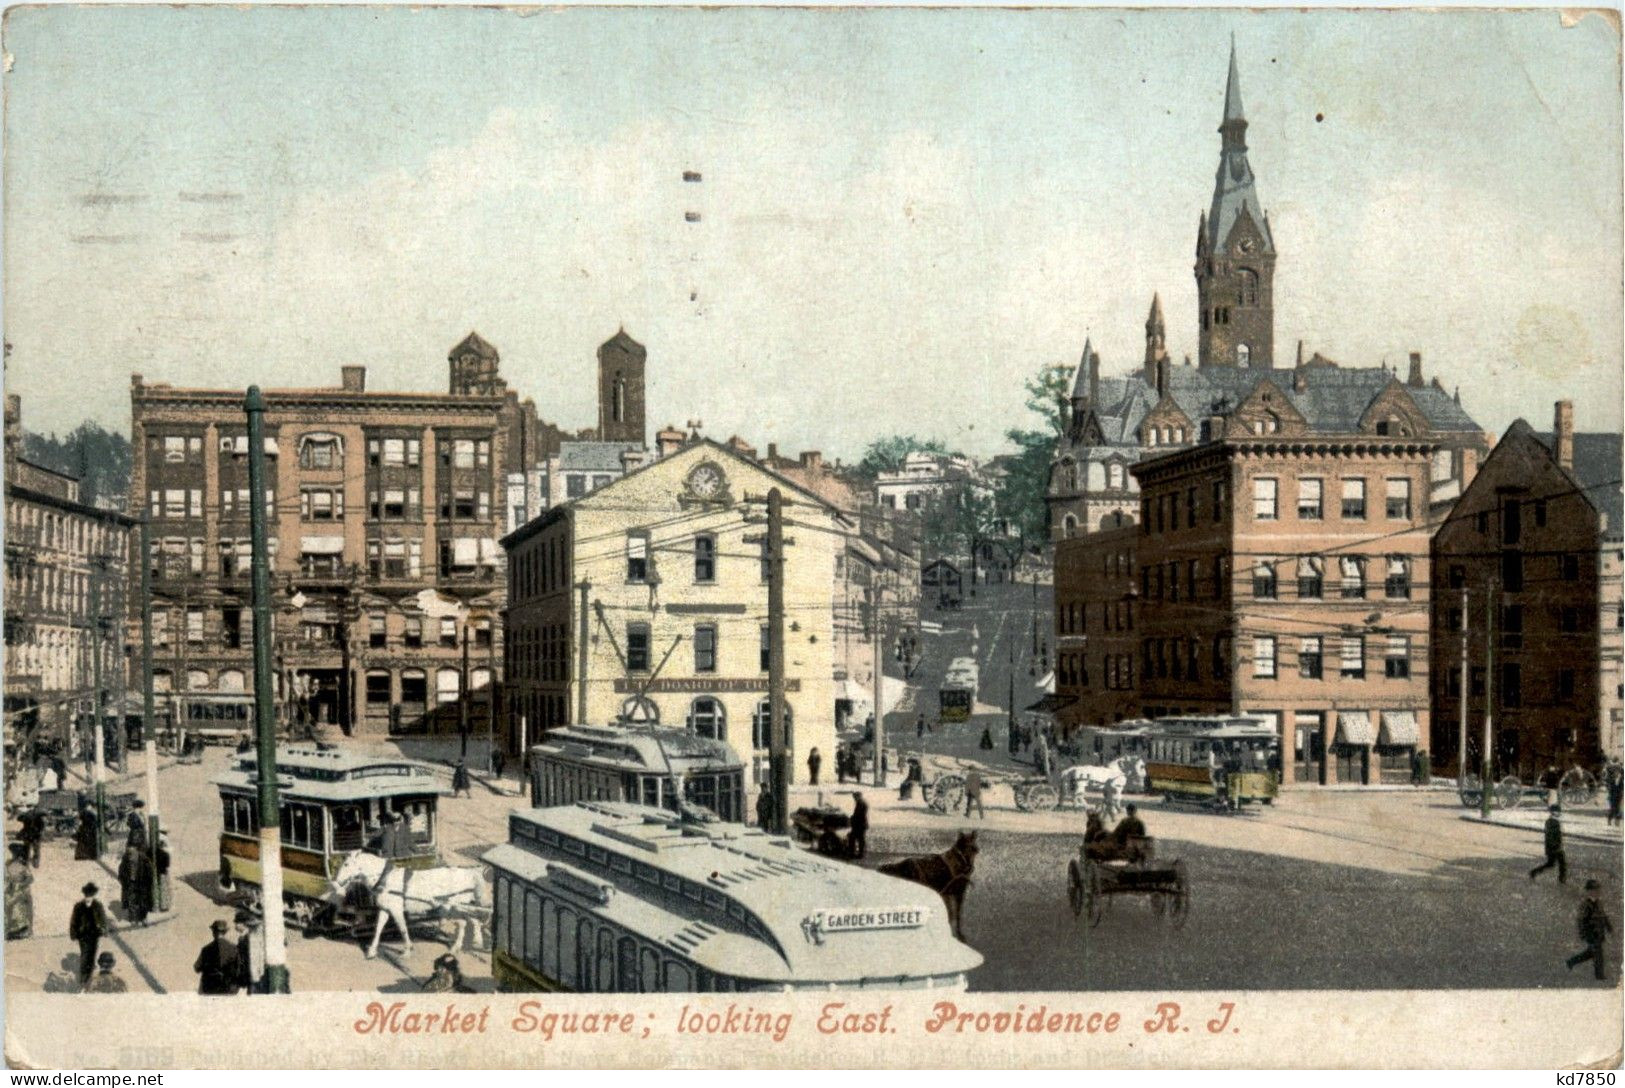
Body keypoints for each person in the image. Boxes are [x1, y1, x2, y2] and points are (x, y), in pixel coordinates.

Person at [1567, 879, 1614, 981]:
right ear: (1589, 891)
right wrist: (1585, 934)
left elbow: (1603, 916)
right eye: (1595, 890)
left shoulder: (1599, 903)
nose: (1597, 892)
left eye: (1598, 890)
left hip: (1599, 934)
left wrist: (1608, 926)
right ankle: (1599, 977)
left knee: (1590, 953)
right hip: (1591, 935)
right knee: (1598, 956)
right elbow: (1581, 921)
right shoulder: (1586, 905)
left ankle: (1571, 961)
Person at [69, 883, 109, 986]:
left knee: (91, 955)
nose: (88, 897)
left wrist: (104, 929)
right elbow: (74, 920)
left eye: (90, 895)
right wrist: (73, 933)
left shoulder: (97, 906)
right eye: (86, 895)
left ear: (93, 895)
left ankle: (88, 976)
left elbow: (102, 918)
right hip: (83, 934)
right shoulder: (78, 906)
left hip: (94, 934)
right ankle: (84, 977)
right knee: (85, 954)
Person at [194, 919, 242, 995]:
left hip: (210, 989)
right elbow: (238, 970)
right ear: (225, 932)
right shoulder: (234, 948)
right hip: (228, 989)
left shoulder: (206, 949)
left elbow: (197, 968)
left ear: (213, 932)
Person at [117, 844, 153, 926]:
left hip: (142, 882)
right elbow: (121, 870)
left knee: (143, 900)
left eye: (132, 850)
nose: (130, 852)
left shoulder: (144, 859)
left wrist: (148, 882)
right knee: (131, 900)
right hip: (130, 882)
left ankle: (143, 917)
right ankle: (133, 918)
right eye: (128, 850)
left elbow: (149, 871)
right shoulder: (126, 858)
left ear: (136, 850)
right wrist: (123, 880)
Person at [1530, 806, 1568, 883]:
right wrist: (1560, 846)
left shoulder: (1548, 821)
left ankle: (1534, 872)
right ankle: (1562, 879)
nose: (1560, 813)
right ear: (1556, 812)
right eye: (1558, 811)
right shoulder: (1556, 822)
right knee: (1562, 864)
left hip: (1550, 847)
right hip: (1557, 847)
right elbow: (1558, 836)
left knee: (1550, 864)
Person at [5, 842, 33, 938]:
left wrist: (20, 884)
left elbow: (30, 878)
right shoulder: (8, 863)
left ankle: (20, 930)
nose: (14, 856)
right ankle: (11, 929)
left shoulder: (23, 866)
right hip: (10, 889)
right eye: (13, 854)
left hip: (21, 891)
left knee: (17, 907)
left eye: (15, 854)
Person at [236, 912, 266, 994]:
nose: (235, 925)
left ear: (243, 924)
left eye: (237, 923)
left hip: (250, 973)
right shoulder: (244, 937)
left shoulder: (247, 938)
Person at [154, 831, 172, 913]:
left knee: (156, 888)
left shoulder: (153, 852)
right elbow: (168, 865)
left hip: (155, 872)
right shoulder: (165, 854)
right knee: (164, 889)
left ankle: (156, 905)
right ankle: (164, 906)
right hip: (163, 872)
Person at [848, 792, 869, 859]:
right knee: (860, 839)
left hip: (859, 824)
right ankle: (860, 853)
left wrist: (852, 819)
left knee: (855, 838)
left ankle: (854, 853)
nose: (854, 799)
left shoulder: (861, 803)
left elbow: (858, 815)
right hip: (861, 824)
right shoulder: (862, 802)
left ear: (858, 796)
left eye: (855, 797)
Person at [1606, 760, 1623, 827]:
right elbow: (1610, 789)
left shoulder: (1622, 780)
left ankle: (1617, 822)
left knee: (1618, 808)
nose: (1617, 774)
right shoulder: (1611, 780)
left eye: (1618, 773)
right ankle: (1609, 820)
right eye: (1616, 773)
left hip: (1619, 795)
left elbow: (1622, 788)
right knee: (1613, 808)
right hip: (1613, 795)